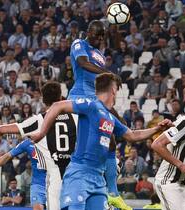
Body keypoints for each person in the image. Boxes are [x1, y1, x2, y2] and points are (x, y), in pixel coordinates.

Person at [29, 73, 172, 210]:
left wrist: (157, 129)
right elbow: (57, 106)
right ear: (113, 90)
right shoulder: (91, 105)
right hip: (80, 174)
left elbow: (132, 135)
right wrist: (42, 132)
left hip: (98, 180)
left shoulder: (110, 117)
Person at [0, 82, 77, 210]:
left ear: (43, 100)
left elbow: (1, 130)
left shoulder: (38, 121)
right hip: (71, 176)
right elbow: (7, 156)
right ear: (61, 97)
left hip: (54, 177)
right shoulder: (76, 118)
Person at [66, 20, 132, 210]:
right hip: (80, 100)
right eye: (96, 34)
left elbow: (120, 46)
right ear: (88, 32)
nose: (99, 38)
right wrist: (108, 73)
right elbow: (82, 63)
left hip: (97, 102)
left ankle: (112, 193)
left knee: (112, 137)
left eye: (102, 35)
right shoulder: (79, 45)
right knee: (84, 146)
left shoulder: (100, 54)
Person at [0, 139, 46, 210]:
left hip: (54, 181)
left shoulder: (55, 140)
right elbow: (7, 156)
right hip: (38, 183)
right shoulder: (27, 143)